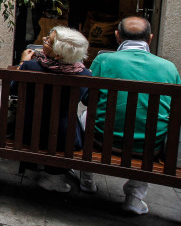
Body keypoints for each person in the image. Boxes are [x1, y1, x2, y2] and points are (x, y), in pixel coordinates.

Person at [73, 17, 180, 215]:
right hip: (150, 147)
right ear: (150, 38)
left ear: (117, 36)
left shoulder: (103, 60)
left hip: (102, 139)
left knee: (85, 115)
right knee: (154, 124)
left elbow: (87, 99)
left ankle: (87, 180)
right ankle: (134, 196)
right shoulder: (169, 67)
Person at [14, 26, 91, 193]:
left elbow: (14, 90)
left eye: (48, 41)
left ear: (57, 55)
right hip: (65, 139)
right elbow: (88, 100)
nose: (43, 41)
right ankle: (54, 174)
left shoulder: (30, 67)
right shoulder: (84, 74)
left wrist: (22, 63)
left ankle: (41, 170)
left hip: (26, 133)